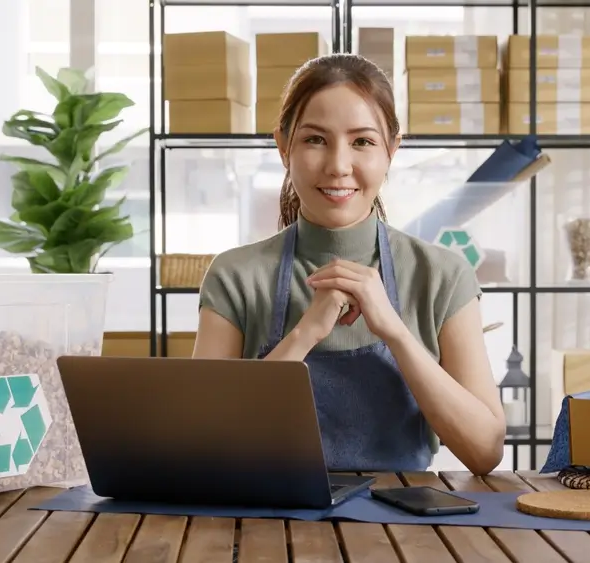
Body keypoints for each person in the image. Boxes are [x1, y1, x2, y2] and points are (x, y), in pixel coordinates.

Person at [193, 53, 506, 476]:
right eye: (315, 140)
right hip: (266, 526)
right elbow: (203, 443)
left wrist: (393, 330)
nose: (339, 166)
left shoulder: (442, 276)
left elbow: (484, 451)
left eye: (362, 142)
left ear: (392, 150)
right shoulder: (235, 276)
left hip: (405, 530)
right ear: (283, 146)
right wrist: (306, 333)